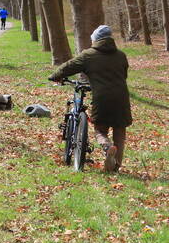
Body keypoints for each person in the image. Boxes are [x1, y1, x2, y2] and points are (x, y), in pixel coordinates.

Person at [47, 25, 132, 172]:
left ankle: (107, 146)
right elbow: (123, 75)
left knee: (100, 130)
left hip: (102, 98)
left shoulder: (89, 55)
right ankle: (115, 166)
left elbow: (68, 67)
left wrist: (55, 76)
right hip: (122, 98)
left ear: (95, 40)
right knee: (120, 131)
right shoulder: (121, 55)